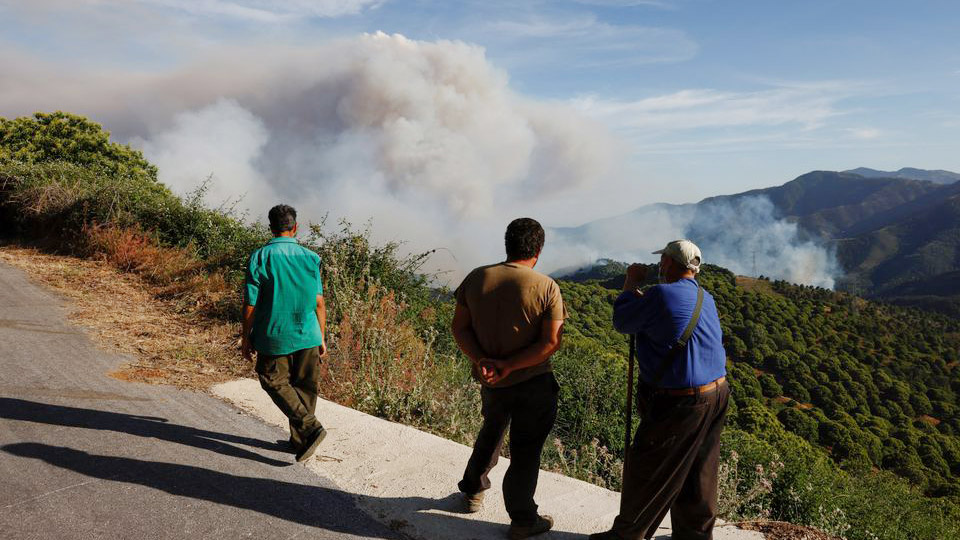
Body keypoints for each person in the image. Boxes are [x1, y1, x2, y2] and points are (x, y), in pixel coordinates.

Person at [591, 239, 728, 540]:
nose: (659, 265)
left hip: (683, 401)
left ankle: (627, 536)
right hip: (718, 393)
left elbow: (622, 320)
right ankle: (693, 536)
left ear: (667, 263)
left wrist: (630, 283)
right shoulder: (706, 297)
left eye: (663, 260)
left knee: (648, 468)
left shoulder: (660, 294)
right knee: (699, 470)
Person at [452, 217, 567, 540]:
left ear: (507, 244)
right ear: (538, 250)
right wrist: (511, 365)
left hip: (491, 380)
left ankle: (473, 490)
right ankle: (522, 519)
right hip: (533, 382)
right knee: (526, 450)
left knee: (490, 432)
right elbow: (550, 343)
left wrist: (485, 362)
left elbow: (459, 327)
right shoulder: (546, 287)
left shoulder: (477, 278)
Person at [241, 204, 328, 463]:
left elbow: (250, 304)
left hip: (274, 334)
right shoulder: (310, 258)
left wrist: (246, 337)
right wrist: (322, 336)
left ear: (271, 227)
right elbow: (319, 302)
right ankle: (301, 438)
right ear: (295, 227)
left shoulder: (260, 257)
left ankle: (309, 429)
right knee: (305, 386)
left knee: (271, 378)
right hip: (308, 332)